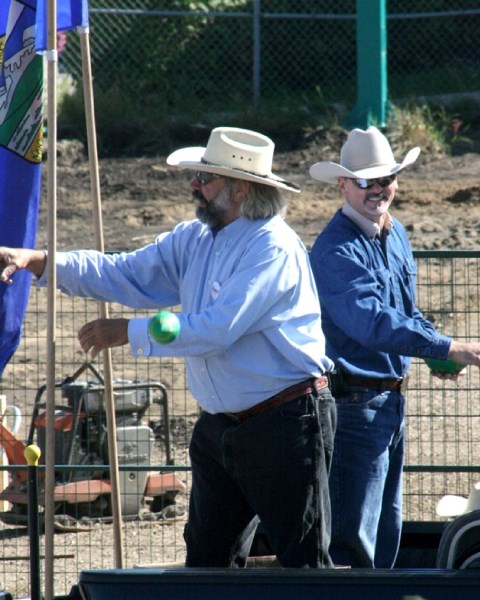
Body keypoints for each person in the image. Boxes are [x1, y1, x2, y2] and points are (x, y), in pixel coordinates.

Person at [0, 127, 336, 568]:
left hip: (285, 424)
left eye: (204, 177)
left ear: (240, 190)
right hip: (227, 427)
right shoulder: (195, 238)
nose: (194, 185)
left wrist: (129, 332)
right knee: (207, 559)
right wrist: (41, 261)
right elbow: (123, 272)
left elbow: (218, 328)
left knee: (304, 562)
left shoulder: (274, 247)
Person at [308, 126, 480, 569]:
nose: (378, 189)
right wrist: (447, 345)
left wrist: (437, 352)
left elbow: (403, 312)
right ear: (342, 185)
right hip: (354, 406)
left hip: (385, 402)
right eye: (365, 181)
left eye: (385, 179)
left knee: (385, 529)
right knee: (354, 539)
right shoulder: (336, 250)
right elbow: (374, 323)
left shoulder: (392, 234)